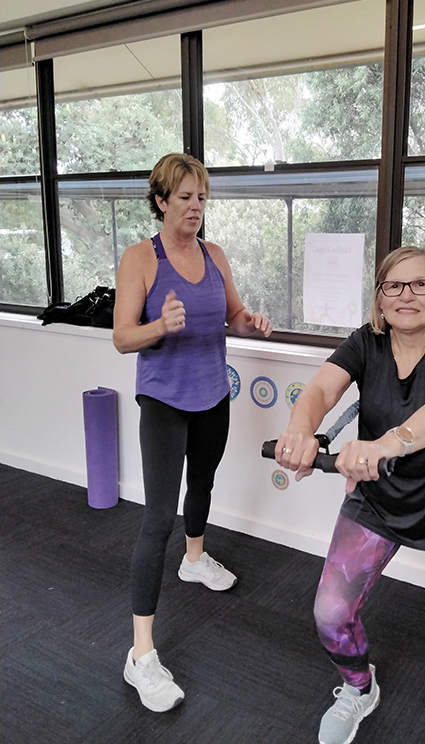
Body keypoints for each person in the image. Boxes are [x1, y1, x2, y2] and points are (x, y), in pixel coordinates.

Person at [275, 245, 425, 744]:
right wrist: (299, 429)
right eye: (393, 286)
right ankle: (358, 688)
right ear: (379, 299)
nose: (406, 295)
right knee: (331, 611)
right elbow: (319, 392)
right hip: (376, 496)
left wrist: (384, 443)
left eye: (420, 284)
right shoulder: (365, 343)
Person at [113, 153, 272, 713]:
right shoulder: (141, 259)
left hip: (212, 392)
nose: (196, 208)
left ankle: (195, 558)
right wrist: (161, 325)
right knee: (158, 518)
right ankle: (140, 656)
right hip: (162, 398)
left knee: (201, 482)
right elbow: (123, 338)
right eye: (184, 197)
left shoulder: (215, 255)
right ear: (160, 200)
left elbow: (231, 313)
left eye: (202, 197)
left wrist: (246, 320)